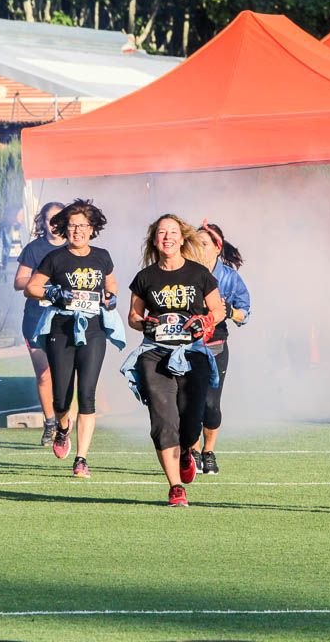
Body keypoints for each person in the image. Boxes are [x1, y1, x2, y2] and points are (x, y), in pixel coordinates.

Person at [122, 215, 225, 507]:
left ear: (182, 239)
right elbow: (133, 317)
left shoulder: (199, 274)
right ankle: (175, 487)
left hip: (192, 353)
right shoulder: (145, 277)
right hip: (155, 354)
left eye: (172, 232)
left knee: (191, 422)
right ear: (155, 240)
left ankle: (187, 450)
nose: (167, 237)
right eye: (161, 233)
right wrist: (144, 324)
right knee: (163, 419)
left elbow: (218, 310)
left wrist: (205, 321)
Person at [25, 199, 125, 477]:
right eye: (72, 226)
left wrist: (111, 297)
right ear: (65, 229)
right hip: (61, 329)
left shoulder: (102, 256)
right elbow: (31, 287)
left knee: (87, 395)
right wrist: (53, 293)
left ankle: (81, 458)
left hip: (94, 330)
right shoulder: (55, 258)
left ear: (92, 229)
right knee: (61, 399)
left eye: (83, 226)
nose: (77, 231)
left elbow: (111, 284)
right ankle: (62, 427)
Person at [187, 220, 250, 476]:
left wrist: (230, 312)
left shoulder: (230, 278)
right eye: (195, 243)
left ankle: (208, 451)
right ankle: (192, 450)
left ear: (217, 247)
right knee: (188, 401)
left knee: (211, 404)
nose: (199, 248)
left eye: (204, 243)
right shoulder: (183, 271)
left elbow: (245, 314)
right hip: (185, 345)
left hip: (215, 345)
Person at [13, 201, 65, 445]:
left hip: (65, 319)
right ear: (42, 222)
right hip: (36, 317)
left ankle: (65, 422)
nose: (54, 224)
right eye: (49, 219)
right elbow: (19, 281)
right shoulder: (34, 248)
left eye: (58, 219)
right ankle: (50, 422)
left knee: (66, 373)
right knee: (44, 374)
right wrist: (44, 285)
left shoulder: (73, 246)